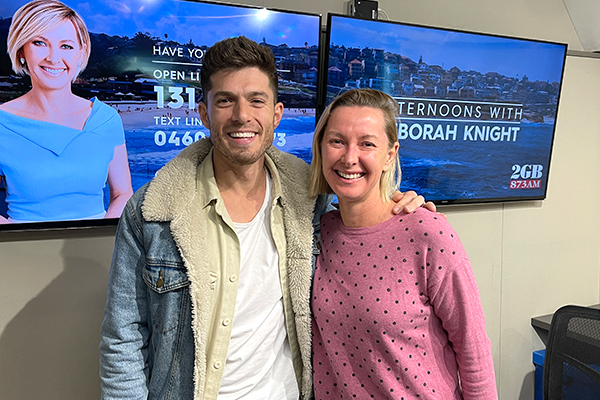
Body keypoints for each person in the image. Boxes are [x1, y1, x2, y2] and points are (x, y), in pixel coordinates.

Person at [99, 36, 432, 399]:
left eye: (256, 100)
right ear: (204, 113)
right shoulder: (153, 212)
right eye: (225, 100)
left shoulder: (311, 201)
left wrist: (400, 206)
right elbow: (123, 339)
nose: (242, 115)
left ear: (276, 114)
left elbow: (360, 224)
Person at [309, 88, 498, 399]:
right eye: (337, 141)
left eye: (367, 144)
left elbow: (474, 349)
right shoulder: (320, 232)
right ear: (321, 147)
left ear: (390, 155)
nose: (349, 157)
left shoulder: (428, 232)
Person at [0, 0, 132, 223]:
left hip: (95, 250)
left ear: (81, 53)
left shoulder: (106, 119)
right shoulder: (2, 121)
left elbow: (123, 194)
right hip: (20, 249)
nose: (53, 58)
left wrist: (102, 236)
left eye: (66, 46)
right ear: (22, 50)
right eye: (40, 43)